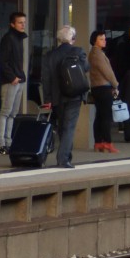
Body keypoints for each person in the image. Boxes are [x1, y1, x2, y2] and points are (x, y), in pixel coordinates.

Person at [41, 25, 88, 168]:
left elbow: (46, 79)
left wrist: (47, 99)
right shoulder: (78, 52)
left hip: (57, 97)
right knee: (69, 127)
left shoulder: (49, 55)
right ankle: (64, 158)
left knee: (62, 127)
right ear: (72, 38)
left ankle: (66, 154)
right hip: (74, 95)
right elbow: (86, 68)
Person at [0, 11, 28, 155]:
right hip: (12, 80)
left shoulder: (18, 38)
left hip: (18, 79)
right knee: (6, 112)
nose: (23, 25)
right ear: (12, 24)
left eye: (24, 22)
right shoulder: (9, 38)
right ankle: (1, 144)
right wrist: (12, 77)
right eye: (20, 22)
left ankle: (8, 142)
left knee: (12, 113)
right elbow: (2, 60)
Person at [87, 30, 121, 153]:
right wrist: (115, 84)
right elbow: (107, 71)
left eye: (104, 39)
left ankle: (98, 142)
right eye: (101, 39)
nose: (104, 41)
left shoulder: (95, 53)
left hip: (97, 88)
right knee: (106, 116)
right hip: (103, 88)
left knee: (100, 116)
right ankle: (107, 142)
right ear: (94, 40)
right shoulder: (97, 54)